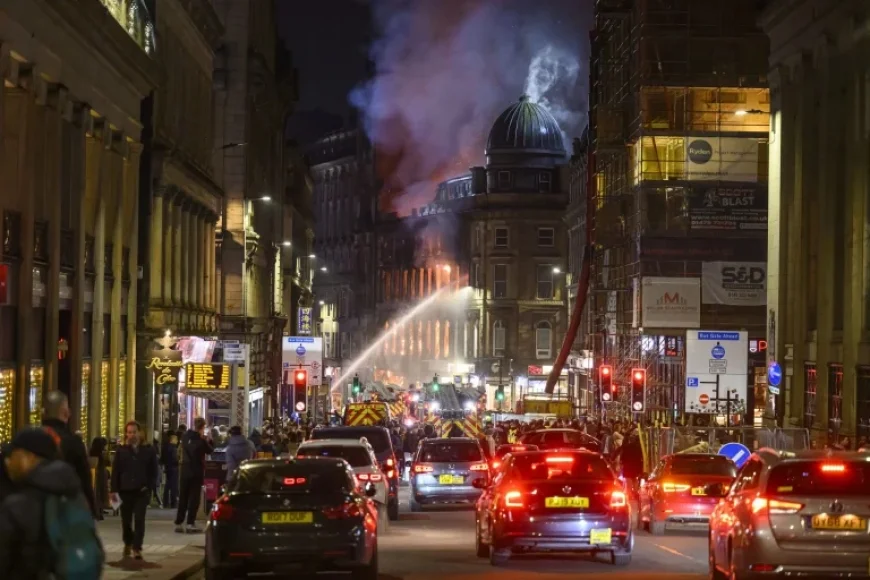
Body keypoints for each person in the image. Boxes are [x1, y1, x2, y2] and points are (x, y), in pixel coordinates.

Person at [0, 428, 103, 579]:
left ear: (30, 457)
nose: (8, 461)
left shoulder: (18, 505)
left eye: (13, 455)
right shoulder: (73, 496)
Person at [42, 390, 97, 517]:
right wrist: (91, 510)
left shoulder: (28, 438)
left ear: (44, 413)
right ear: (66, 413)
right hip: (65, 508)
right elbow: (84, 478)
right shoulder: (73, 442)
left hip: (35, 510)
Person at [111, 421, 159, 560]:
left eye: (134, 432)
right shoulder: (121, 450)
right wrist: (113, 491)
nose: (132, 434)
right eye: (129, 432)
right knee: (126, 521)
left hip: (141, 491)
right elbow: (116, 472)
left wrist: (149, 487)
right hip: (124, 490)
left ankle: (137, 547)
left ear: (140, 433)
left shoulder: (148, 450)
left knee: (139, 519)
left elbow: (154, 471)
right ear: (126, 434)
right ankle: (128, 542)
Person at [175, 417, 214, 533]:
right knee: (194, 498)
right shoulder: (201, 440)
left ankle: (178, 522)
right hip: (196, 471)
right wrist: (209, 440)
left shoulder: (185, 436)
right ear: (203, 427)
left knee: (183, 496)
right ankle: (190, 523)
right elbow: (210, 450)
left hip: (185, 470)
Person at [89, 437, 110, 519]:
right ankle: (99, 510)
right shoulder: (98, 453)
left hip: (98, 473)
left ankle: (99, 509)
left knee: (99, 492)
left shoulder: (93, 452)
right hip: (99, 473)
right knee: (99, 492)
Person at [161, 432, 179, 509]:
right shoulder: (174, 448)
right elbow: (175, 459)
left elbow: (163, 458)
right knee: (173, 486)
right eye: (176, 439)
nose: (177, 441)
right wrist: (178, 461)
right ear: (173, 440)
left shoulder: (165, 447)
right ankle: (173, 503)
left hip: (167, 468)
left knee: (167, 486)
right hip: (174, 468)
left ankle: (165, 502)